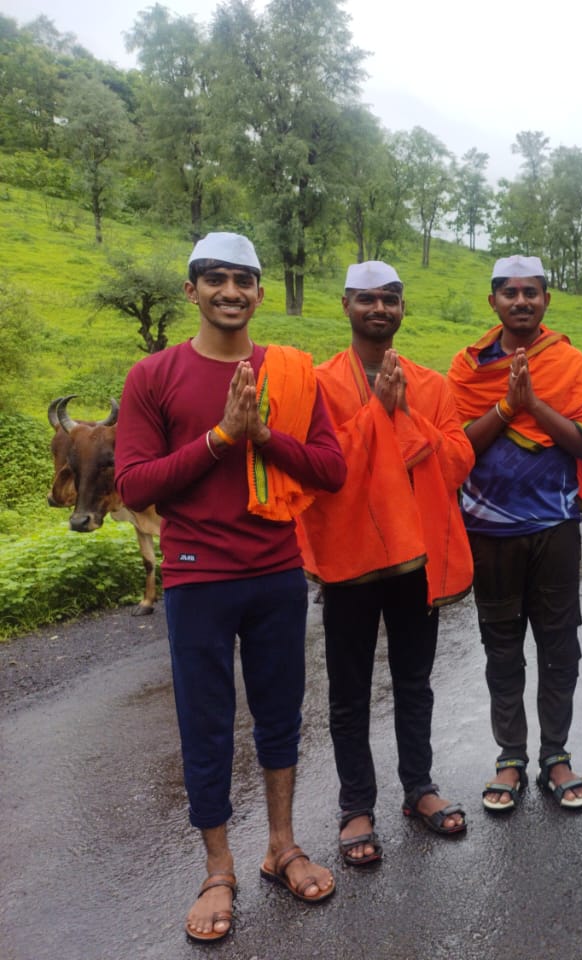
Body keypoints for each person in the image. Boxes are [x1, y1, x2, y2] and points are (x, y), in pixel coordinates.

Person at [115, 233, 346, 942]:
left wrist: (262, 436)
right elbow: (133, 483)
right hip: (196, 576)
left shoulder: (292, 373)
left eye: (243, 280)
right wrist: (219, 438)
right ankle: (219, 868)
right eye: (214, 279)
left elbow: (331, 469)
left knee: (282, 713)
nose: (230, 291)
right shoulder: (153, 376)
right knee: (205, 722)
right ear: (191, 291)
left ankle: (281, 845)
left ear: (260, 293)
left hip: (276, 567)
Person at [295, 260, 475, 868]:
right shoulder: (318, 385)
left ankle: (417, 789)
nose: (380, 309)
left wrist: (400, 414)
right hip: (349, 560)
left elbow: (455, 463)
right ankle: (356, 806)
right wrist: (375, 412)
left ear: (402, 308)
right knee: (348, 690)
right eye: (367, 299)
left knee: (413, 682)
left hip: (417, 559)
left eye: (390, 299)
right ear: (345, 305)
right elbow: (322, 470)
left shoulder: (430, 384)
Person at [446, 255, 582, 812]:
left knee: (560, 647)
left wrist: (534, 402)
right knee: (502, 647)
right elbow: (457, 446)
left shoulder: (572, 365)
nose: (520, 301)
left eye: (530, 292)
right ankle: (511, 756)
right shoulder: (467, 368)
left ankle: (555, 754)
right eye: (509, 292)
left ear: (546, 299)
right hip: (487, 532)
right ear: (493, 301)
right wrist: (507, 406)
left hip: (555, 529)